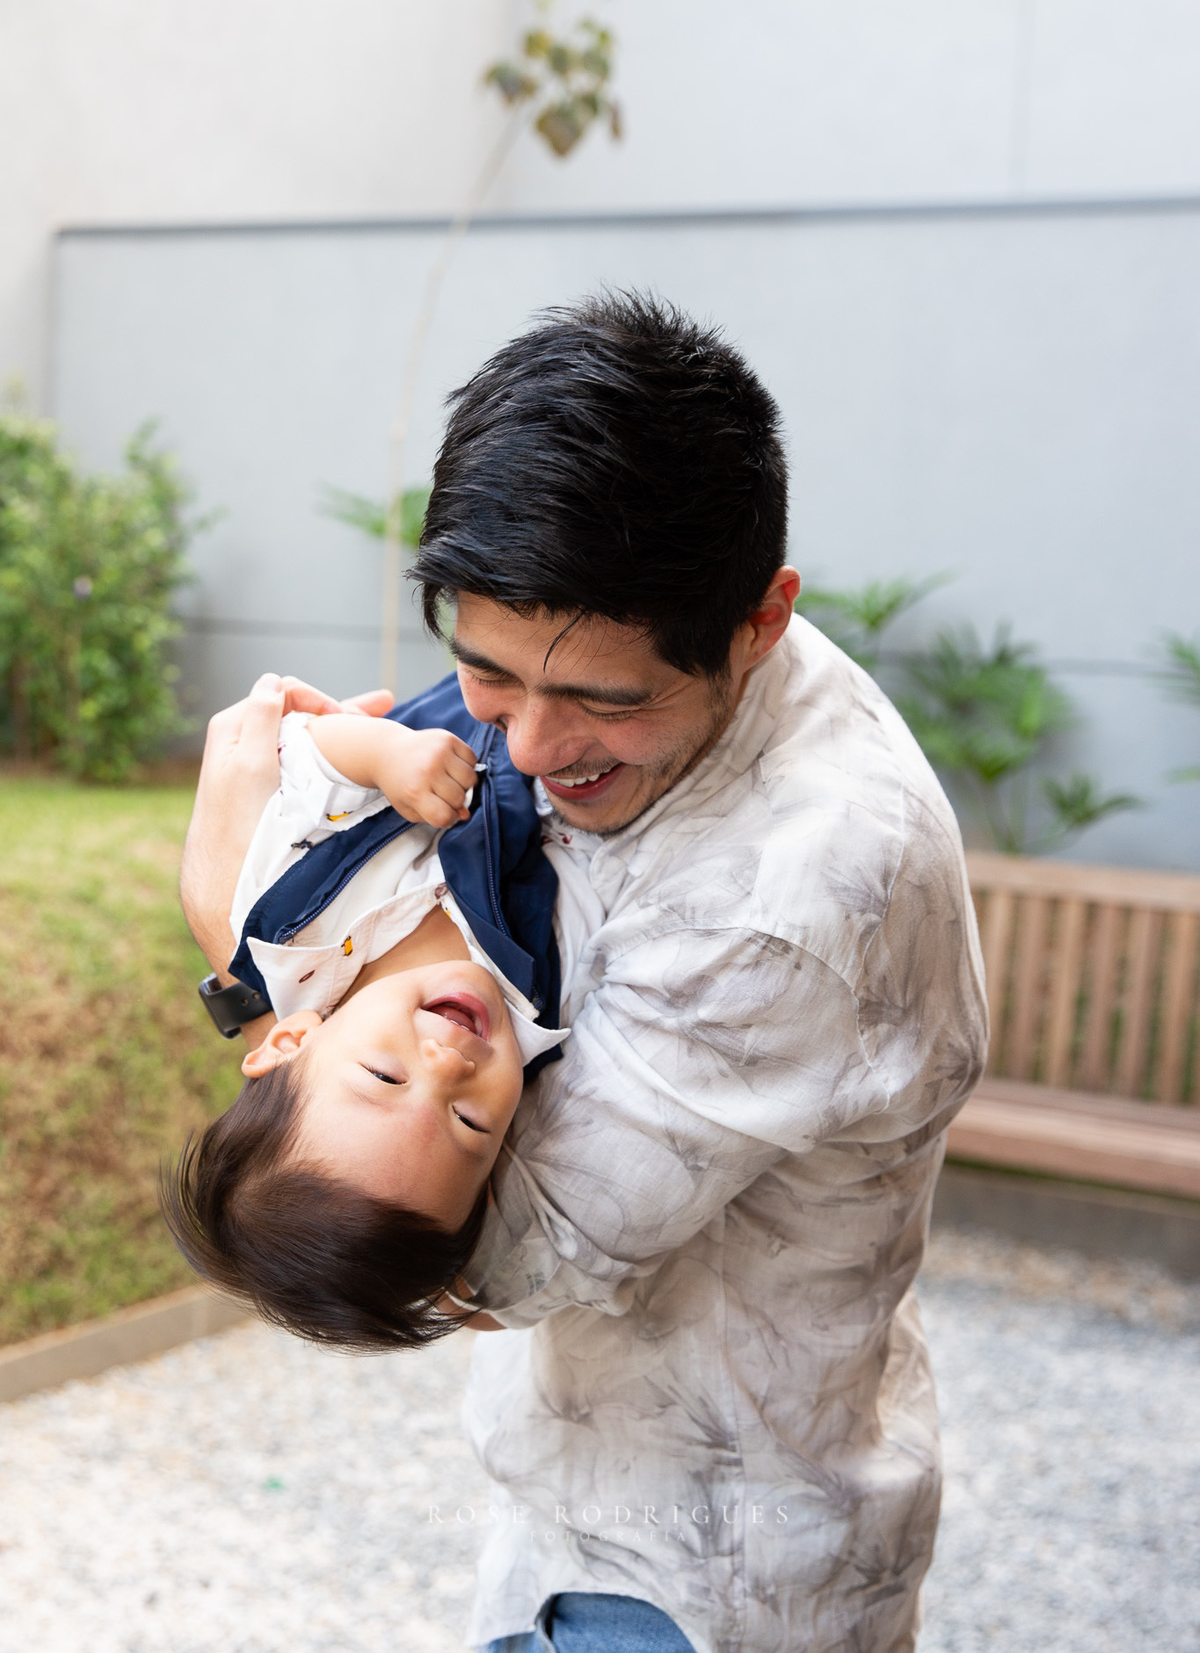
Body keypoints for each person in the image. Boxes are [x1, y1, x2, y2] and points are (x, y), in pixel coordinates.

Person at [182, 293, 987, 1653]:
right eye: (486, 675)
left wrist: (238, 944)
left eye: (605, 704)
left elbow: (497, 1253)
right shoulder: (640, 628)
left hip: (699, 1574)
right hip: (577, 1510)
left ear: (759, 621)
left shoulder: (799, 889)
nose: (535, 751)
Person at [163, 676, 596, 1349]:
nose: (447, 1066)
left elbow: (299, 755)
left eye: (386, 1078)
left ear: (289, 1041)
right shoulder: (554, 1004)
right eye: (471, 1121)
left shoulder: (281, 925)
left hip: (466, 710)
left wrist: (381, 755)